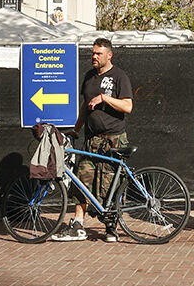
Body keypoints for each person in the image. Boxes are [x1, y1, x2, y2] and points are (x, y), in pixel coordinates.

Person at [54, 37, 134, 242]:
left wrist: (105, 98)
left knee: (111, 185)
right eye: (93, 53)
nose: (94, 57)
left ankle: (111, 227)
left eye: (98, 53)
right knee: (82, 180)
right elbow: (84, 106)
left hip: (113, 141)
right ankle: (78, 225)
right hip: (91, 140)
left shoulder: (119, 76)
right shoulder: (89, 76)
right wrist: (76, 129)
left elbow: (128, 106)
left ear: (109, 55)